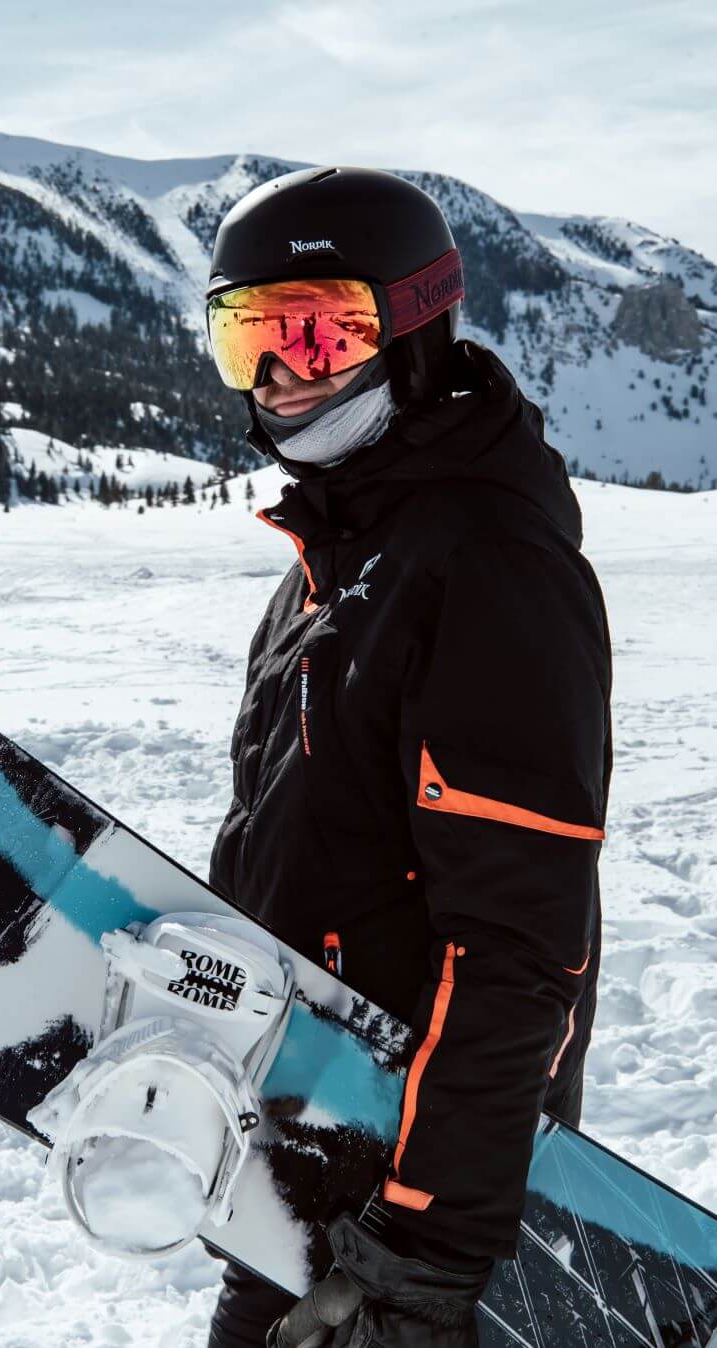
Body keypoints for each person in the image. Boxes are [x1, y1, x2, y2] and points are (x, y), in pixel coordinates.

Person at [204, 167, 613, 1348]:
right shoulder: (334, 559)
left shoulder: (486, 565)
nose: (278, 373)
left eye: (318, 333)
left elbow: (519, 943)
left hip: (412, 1198)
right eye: (246, 337)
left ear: (416, 328)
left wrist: (428, 1244)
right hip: (304, 1148)